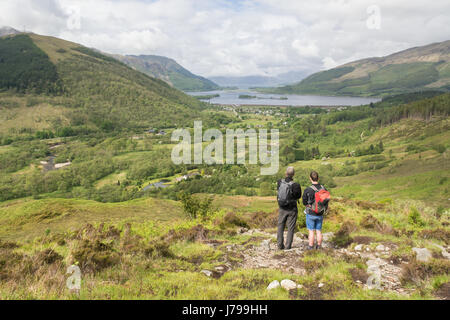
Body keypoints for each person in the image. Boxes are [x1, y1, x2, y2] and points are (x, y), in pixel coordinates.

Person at [276, 167, 302, 250]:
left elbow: (278, 191)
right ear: (293, 174)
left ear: (285, 173)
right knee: (290, 228)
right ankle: (288, 246)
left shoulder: (280, 182)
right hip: (292, 209)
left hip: (282, 207)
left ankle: (280, 245)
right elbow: (298, 196)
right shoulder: (296, 185)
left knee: (280, 226)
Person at [302, 171, 328, 250]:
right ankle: (319, 246)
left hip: (310, 213)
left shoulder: (308, 189)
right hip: (320, 213)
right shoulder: (323, 188)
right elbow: (326, 200)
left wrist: (308, 205)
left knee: (311, 231)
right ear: (318, 178)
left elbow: (304, 202)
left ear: (310, 178)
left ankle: (310, 246)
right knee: (318, 230)